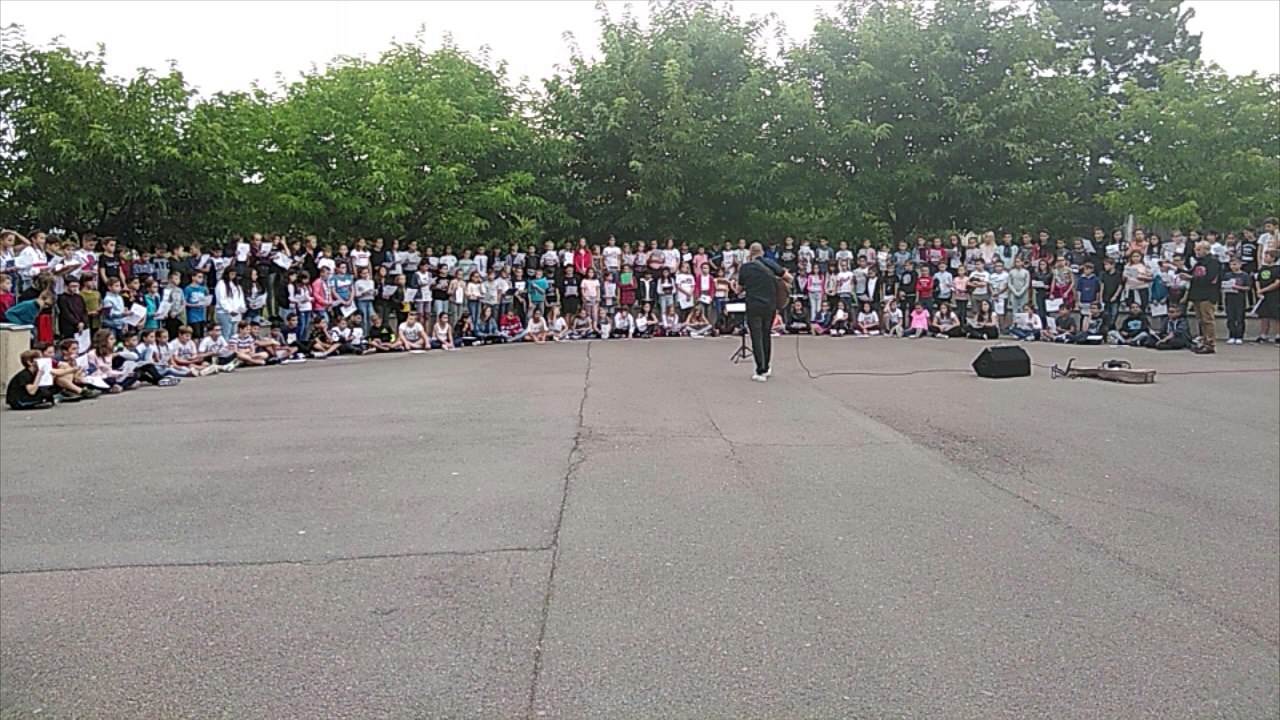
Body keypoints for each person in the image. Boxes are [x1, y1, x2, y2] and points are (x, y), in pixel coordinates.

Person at [735, 242, 788, 382]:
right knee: (766, 335)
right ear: (762, 252)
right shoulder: (770, 264)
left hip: (753, 305)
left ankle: (760, 370)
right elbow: (788, 277)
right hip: (770, 305)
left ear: (750, 253)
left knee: (756, 337)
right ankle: (767, 367)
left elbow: (738, 290)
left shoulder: (745, 268)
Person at [1180, 241, 1221, 354]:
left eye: (1199, 249)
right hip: (1197, 294)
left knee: (1207, 319)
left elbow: (1210, 278)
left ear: (1206, 250)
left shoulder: (1213, 262)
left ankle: (1210, 343)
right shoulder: (1198, 263)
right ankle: (1203, 341)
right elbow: (1191, 273)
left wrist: (1191, 278)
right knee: (1201, 320)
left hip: (1208, 294)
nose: (1196, 252)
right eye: (1196, 249)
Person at [1255, 250, 1280, 344]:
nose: (1265, 258)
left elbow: (1277, 283)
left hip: (1275, 296)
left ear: (1273, 258)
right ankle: (1264, 335)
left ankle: (1278, 336)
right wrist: (1258, 290)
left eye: (1267, 256)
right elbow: (1257, 280)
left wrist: (1263, 290)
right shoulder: (1262, 268)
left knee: (1277, 316)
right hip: (1263, 297)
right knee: (1264, 316)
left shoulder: (1277, 269)